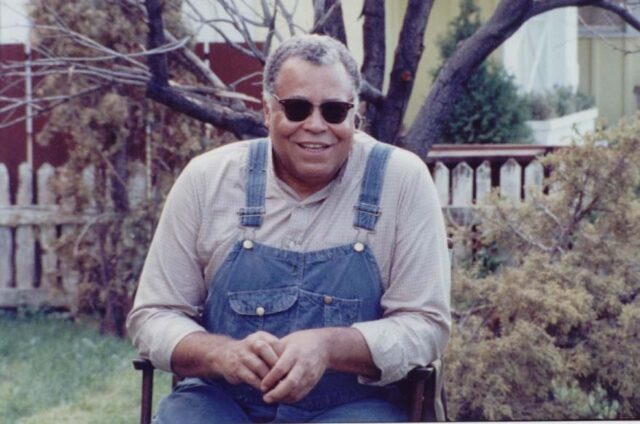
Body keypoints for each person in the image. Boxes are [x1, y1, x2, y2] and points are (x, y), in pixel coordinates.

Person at [126, 34, 450, 423]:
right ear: (267, 110)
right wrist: (222, 353)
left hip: (354, 407)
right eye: (296, 109)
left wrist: (329, 347)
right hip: (221, 402)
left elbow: (426, 325)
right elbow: (154, 315)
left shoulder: (403, 182)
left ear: (355, 115)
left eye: (334, 111)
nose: (315, 126)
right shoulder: (207, 180)